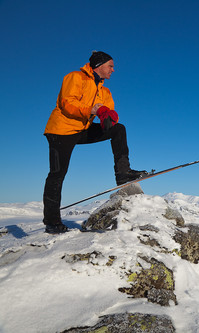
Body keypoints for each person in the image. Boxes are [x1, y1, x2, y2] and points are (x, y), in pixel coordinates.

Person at [43, 51, 146, 234]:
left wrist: (110, 118)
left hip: (82, 130)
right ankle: (52, 222)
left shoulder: (104, 90)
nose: (113, 70)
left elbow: (108, 112)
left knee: (119, 129)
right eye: (110, 66)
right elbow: (67, 103)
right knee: (57, 174)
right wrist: (93, 110)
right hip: (62, 131)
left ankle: (123, 173)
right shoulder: (76, 77)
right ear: (99, 65)